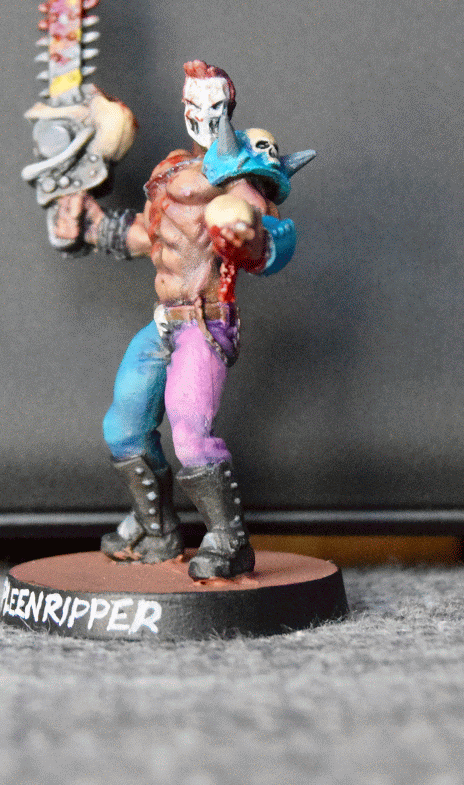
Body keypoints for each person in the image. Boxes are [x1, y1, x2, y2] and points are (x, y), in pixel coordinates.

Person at [54, 60, 313, 580]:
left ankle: (229, 542)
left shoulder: (238, 173)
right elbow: (150, 236)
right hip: (164, 322)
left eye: (215, 105)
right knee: (124, 426)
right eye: (196, 104)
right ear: (185, 107)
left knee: (190, 431)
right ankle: (156, 529)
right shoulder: (171, 169)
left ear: (229, 107)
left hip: (204, 322)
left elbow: (267, 231)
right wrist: (91, 228)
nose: (205, 114)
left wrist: (248, 239)